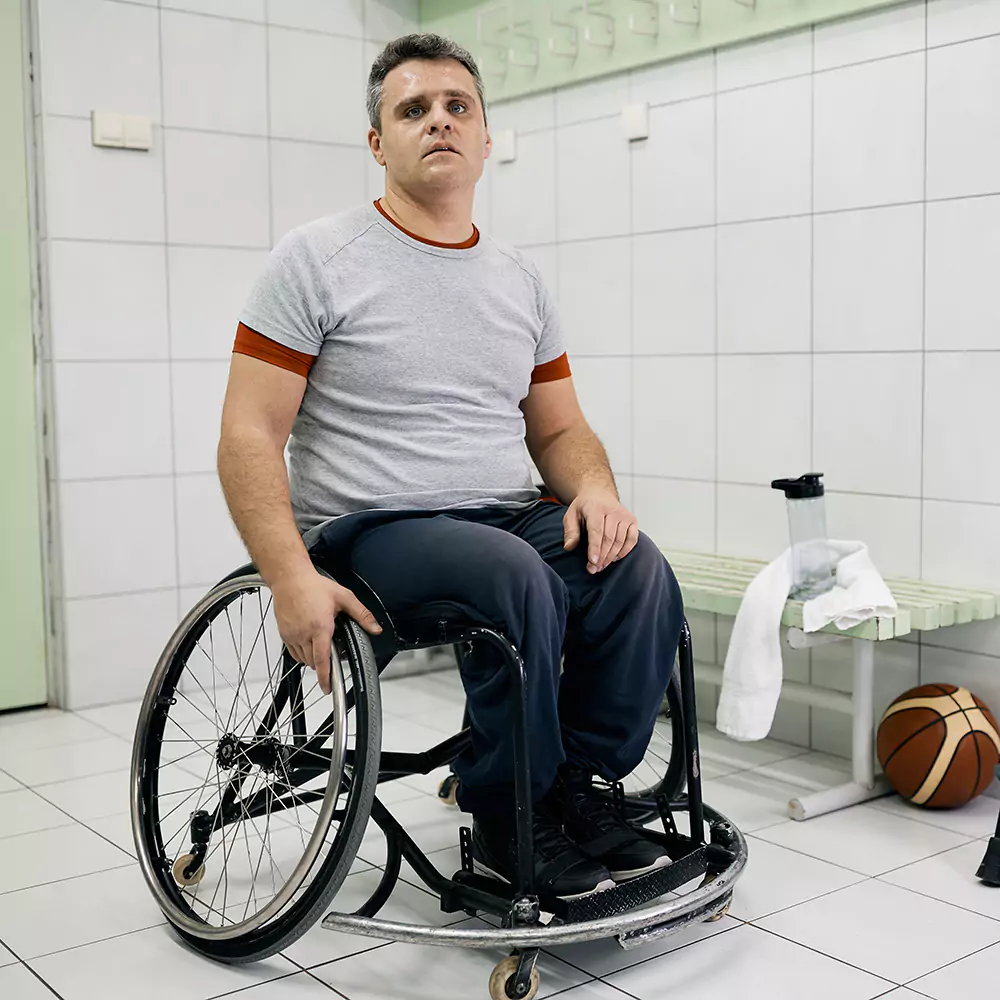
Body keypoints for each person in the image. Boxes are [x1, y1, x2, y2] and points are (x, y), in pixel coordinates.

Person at [218, 33, 684, 901]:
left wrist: (596, 488)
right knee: (513, 577)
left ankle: (571, 790)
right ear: (378, 141)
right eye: (413, 109)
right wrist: (289, 577)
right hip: (372, 531)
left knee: (636, 567)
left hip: (500, 513)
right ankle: (507, 819)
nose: (438, 120)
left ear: (483, 135)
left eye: (456, 106)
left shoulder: (519, 279)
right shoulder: (316, 259)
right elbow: (247, 434)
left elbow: (560, 431)